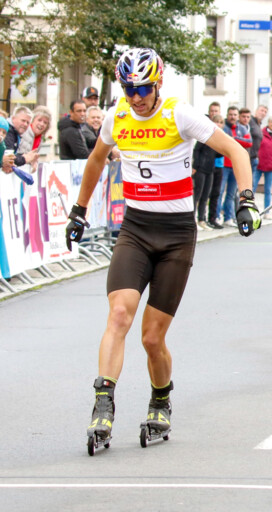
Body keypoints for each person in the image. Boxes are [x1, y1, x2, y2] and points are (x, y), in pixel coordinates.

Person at [65, 48, 260, 454]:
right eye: (129, 88)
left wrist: (245, 199)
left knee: (152, 339)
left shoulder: (179, 113)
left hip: (175, 235)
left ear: (158, 84)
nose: (136, 97)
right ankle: (104, 402)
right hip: (135, 229)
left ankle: (160, 399)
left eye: (143, 88)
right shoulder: (118, 115)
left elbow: (237, 151)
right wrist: (79, 210)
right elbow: (96, 162)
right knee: (119, 313)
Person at [218, 106, 253, 227]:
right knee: (220, 191)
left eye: (235, 115)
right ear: (227, 115)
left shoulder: (242, 129)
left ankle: (228, 217)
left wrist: (234, 140)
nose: (233, 117)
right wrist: (237, 142)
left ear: (237, 116)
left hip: (236, 166)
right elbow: (221, 142)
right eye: (231, 114)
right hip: (224, 164)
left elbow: (249, 142)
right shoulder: (224, 128)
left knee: (231, 193)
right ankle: (217, 217)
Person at [192, 114, 225, 231]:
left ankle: (202, 219)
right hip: (201, 168)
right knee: (197, 195)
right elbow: (196, 150)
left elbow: (218, 154)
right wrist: (195, 166)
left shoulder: (217, 138)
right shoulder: (204, 135)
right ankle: (193, 220)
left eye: (221, 122)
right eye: (216, 122)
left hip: (210, 170)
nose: (218, 124)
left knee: (206, 196)